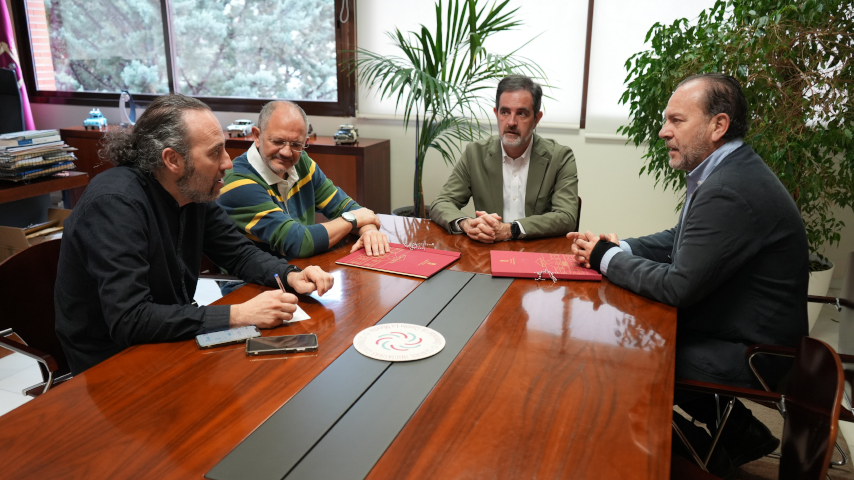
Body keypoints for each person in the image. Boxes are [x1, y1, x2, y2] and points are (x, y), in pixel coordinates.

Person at [568, 74, 808, 477]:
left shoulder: (729, 186)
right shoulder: (728, 170)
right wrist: (620, 247)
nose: (664, 132)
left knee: (624, 357)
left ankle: (690, 459)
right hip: (735, 329)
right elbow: (681, 238)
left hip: (756, 353)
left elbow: (678, 286)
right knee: (637, 334)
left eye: (676, 120)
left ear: (718, 125)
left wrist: (603, 257)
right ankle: (736, 434)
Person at [55, 94, 334, 375]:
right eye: (215, 153)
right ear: (172, 159)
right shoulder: (115, 204)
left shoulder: (193, 191)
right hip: (111, 361)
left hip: (170, 336)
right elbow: (130, 319)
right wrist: (239, 314)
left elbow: (238, 252)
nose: (227, 163)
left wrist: (290, 275)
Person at [217, 101, 389, 260]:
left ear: (305, 143)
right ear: (256, 136)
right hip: (254, 285)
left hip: (302, 270)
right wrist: (353, 219)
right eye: (278, 141)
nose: (286, 152)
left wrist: (369, 231)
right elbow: (297, 242)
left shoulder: (302, 163)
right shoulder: (236, 182)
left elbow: (345, 207)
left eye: (296, 145)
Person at [429, 75, 579, 243]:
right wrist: (467, 224)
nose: (511, 122)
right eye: (505, 112)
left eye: (521, 114)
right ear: (496, 113)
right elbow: (442, 202)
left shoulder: (560, 158)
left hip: (537, 252)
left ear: (537, 119)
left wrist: (510, 229)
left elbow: (566, 217)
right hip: (487, 251)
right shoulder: (475, 154)